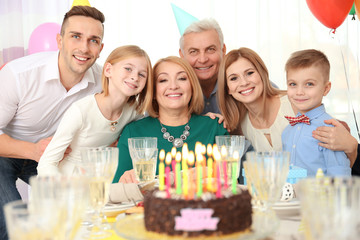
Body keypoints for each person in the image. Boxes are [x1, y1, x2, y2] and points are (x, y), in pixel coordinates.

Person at [0, 6, 104, 240]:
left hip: (52, 155)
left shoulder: (103, 81)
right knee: (12, 225)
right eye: (75, 36)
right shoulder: (18, 75)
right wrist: (32, 150)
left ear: (101, 48)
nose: (84, 48)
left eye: (93, 40)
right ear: (59, 40)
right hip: (5, 152)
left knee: (73, 217)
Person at [37, 45, 152, 176]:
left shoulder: (134, 112)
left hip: (102, 183)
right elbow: (47, 163)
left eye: (142, 74)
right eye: (128, 69)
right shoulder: (81, 111)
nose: (135, 77)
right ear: (108, 70)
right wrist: (65, 190)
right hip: (69, 182)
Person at [113, 56, 228, 183]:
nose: (173, 86)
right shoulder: (133, 133)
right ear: (153, 90)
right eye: (163, 80)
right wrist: (126, 181)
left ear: (192, 86)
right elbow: (116, 193)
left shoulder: (215, 127)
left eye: (182, 78)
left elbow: (230, 182)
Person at [281, 49, 351, 176]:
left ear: (326, 88)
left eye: (309, 84)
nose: (299, 92)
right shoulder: (287, 131)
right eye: (293, 84)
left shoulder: (330, 131)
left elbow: (339, 175)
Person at [179, 18, 226, 114]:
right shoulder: (170, 92)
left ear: (223, 50)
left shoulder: (241, 85)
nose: (203, 59)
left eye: (210, 49)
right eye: (193, 52)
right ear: (182, 55)